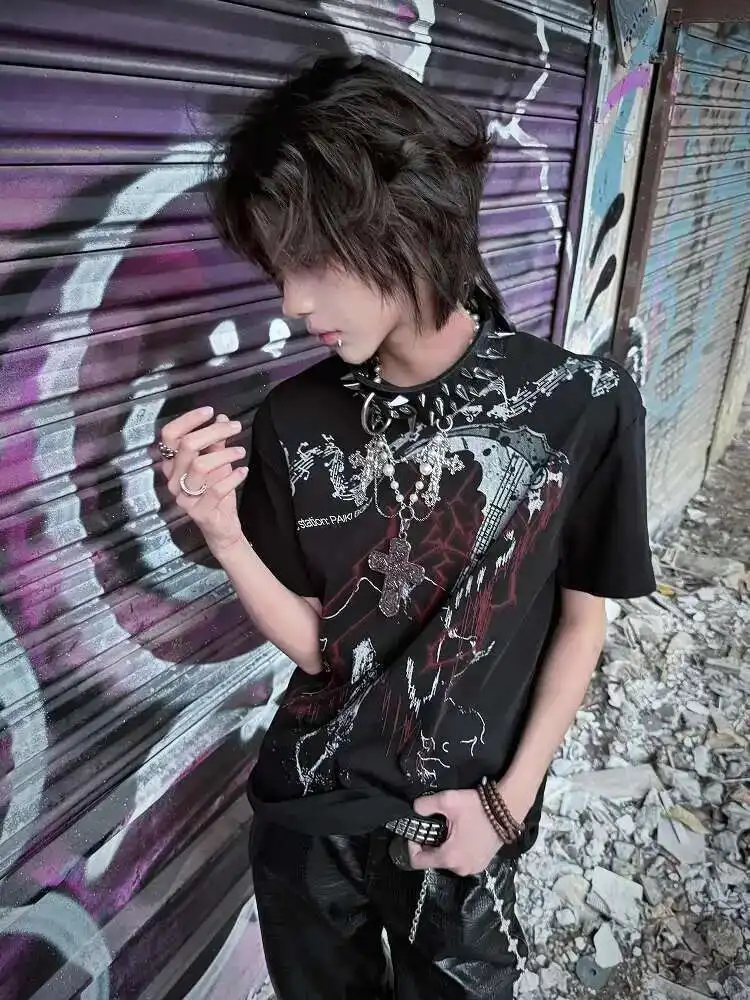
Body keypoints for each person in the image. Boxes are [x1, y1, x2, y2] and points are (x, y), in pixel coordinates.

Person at [158, 54, 655, 1000]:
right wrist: (222, 532)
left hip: (459, 824)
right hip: (306, 820)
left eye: (311, 261)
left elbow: (580, 624)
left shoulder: (580, 406)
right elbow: (323, 649)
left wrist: (505, 810)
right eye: (277, 267)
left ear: (405, 221)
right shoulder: (294, 419)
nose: (291, 301)